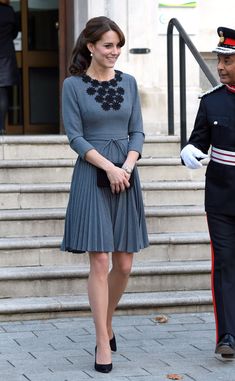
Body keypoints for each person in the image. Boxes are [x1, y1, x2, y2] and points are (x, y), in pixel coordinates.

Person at [61, 16, 149, 373]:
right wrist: (108, 167)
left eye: (118, 46)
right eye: (108, 45)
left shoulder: (129, 83)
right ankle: (102, 340)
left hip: (126, 174)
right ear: (91, 46)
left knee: (124, 264)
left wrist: (125, 167)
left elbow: (138, 132)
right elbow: (75, 137)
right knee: (100, 260)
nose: (114, 52)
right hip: (92, 173)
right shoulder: (73, 86)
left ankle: (107, 320)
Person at [180, 26, 235, 358]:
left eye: (228, 60)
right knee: (225, 264)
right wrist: (188, 150)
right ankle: (227, 336)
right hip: (221, 197)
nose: (222, 67)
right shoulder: (212, 101)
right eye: (219, 60)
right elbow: (197, 140)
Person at [0, 0, 18, 134]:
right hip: (5, 55)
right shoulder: (9, 11)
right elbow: (15, 33)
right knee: (3, 93)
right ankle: (1, 127)